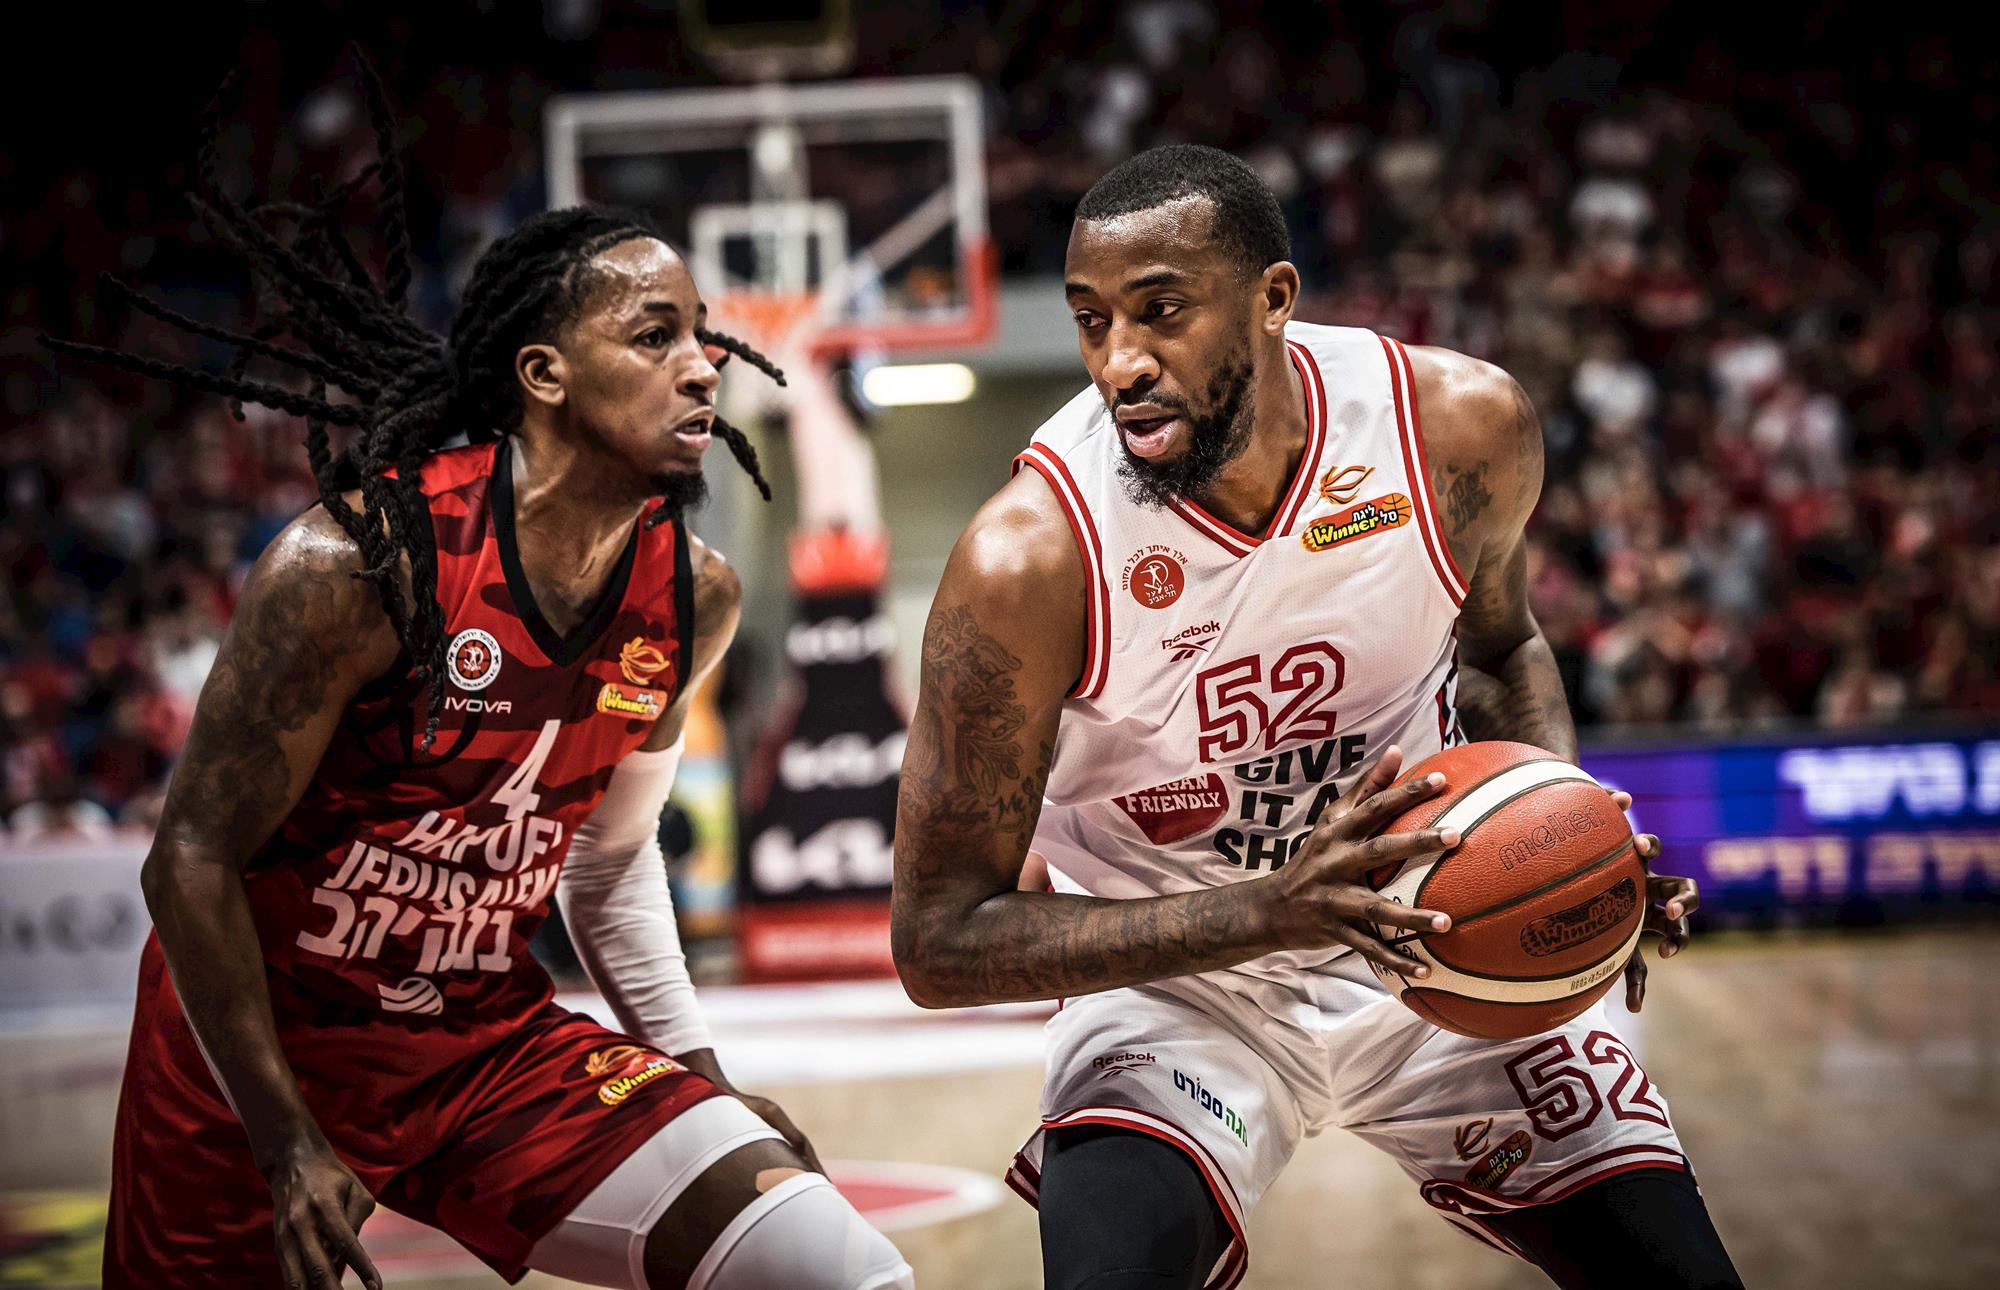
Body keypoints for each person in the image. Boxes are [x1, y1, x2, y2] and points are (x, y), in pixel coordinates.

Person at [47, 62, 912, 1290]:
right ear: (542, 374)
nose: (705, 365)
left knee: (836, 1268)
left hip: (477, 1043)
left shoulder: (691, 597)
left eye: (700, 334)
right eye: (655, 336)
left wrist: (697, 1076)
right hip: (262, 1051)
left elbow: (607, 865)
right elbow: (186, 858)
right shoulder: (358, 564)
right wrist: (286, 1142)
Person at [891, 145, 1741, 1290]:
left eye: (1160, 312)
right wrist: (1270, 911)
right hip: (1176, 981)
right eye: (1091, 321)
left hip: (1438, 922)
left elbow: (1499, 649)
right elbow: (938, 942)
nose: (1118, 363)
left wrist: (1567, 836)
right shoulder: (1027, 560)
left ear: (1273, 297)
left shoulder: (1452, 429)